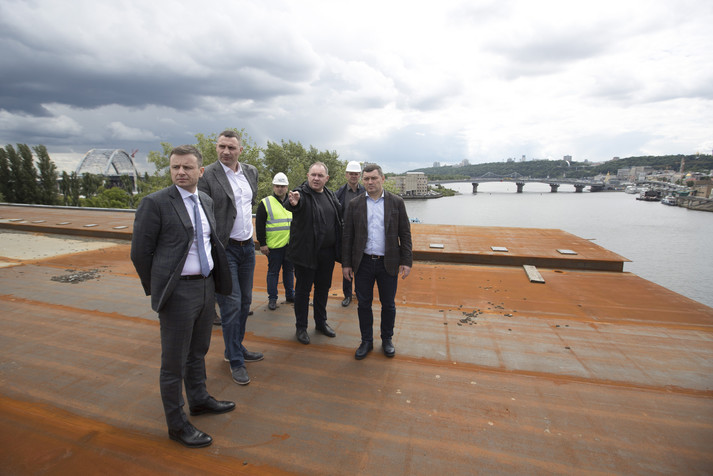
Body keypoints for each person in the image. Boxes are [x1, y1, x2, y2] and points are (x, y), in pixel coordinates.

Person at [131, 145, 235, 448]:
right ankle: (177, 425)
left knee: (198, 351)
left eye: (187, 167)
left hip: (205, 287)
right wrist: (162, 288)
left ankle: (199, 399)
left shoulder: (205, 200)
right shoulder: (155, 203)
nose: (180, 172)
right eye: (175, 167)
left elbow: (209, 242)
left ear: (200, 171)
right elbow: (140, 253)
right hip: (178, 292)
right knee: (173, 362)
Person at [197, 130, 261, 386]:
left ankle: (235, 346)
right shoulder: (208, 175)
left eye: (231, 147)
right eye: (222, 146)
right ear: (216, 147)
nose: (226, 151)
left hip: (248, 248)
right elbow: (202, 213)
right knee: (231, 305)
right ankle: (235, 360)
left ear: (240, 150)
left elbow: (248, 205)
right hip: (225, 250)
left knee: (245, 302)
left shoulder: (251, 172)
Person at [341, 163, 412, 360]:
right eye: (366, 179)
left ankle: (387, 339)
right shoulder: (355, 204)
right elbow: (347, 236)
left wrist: (406, 261)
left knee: (388, 304)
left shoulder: (396, 202)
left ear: (382, 179)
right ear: (362, 180)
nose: (370, 182)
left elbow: (405, 234)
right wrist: (346, 264)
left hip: (388, 262)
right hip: (362, 263)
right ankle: (366, 341)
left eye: (374, 178)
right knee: (363, 304)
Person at [284, 162, 342, 345]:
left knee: (323, 289)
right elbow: (292, 204)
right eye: (313, 175)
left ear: (327, 178)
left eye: (320, 175)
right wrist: (293, 202)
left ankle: (320, 323)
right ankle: (301, 327)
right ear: (308, 176)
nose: (316, 178)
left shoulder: (330, 195)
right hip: (306, 253)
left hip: (327, 254)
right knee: (303, 292)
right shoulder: (301, 193)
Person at [256, 172, 295, 310]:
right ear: (273, 186)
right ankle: (272, 298)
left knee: (289, 271)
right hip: (274, 246)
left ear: (287, 187)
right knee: (273, 272)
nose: (280, 188)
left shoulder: (293, 202)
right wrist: (262, 244)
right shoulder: (265, 203)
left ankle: (290, 295)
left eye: (282, 186)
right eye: (277, 186)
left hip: (289, 245)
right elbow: (259, 225)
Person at [335, 160, 365, 307]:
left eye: (356, 174)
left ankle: (360, 293)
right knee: (346, 265)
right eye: (351, 174)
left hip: (361, 235)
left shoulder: (365, 192)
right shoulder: (339, 193)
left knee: (361, 265)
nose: (354, 176)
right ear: (346, 175)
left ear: (360, 175)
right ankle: (347, 295)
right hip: (345, 236)